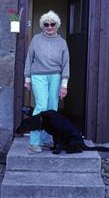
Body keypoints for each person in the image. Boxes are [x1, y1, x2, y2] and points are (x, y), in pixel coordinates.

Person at [24, 10, 70, 153]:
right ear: (42, 26)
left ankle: (45, 140)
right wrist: (27, 79)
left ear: (57, 25)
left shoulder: (62, 42)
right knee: (41, 106)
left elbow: (66, 64)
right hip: (38, 76)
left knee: (52, 109)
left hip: (55, 76)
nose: (49, 27)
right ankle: (34, 142)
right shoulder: (36, 39)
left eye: (52, 24)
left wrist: (64, 85)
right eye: (46, 24)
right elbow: (29, 59)